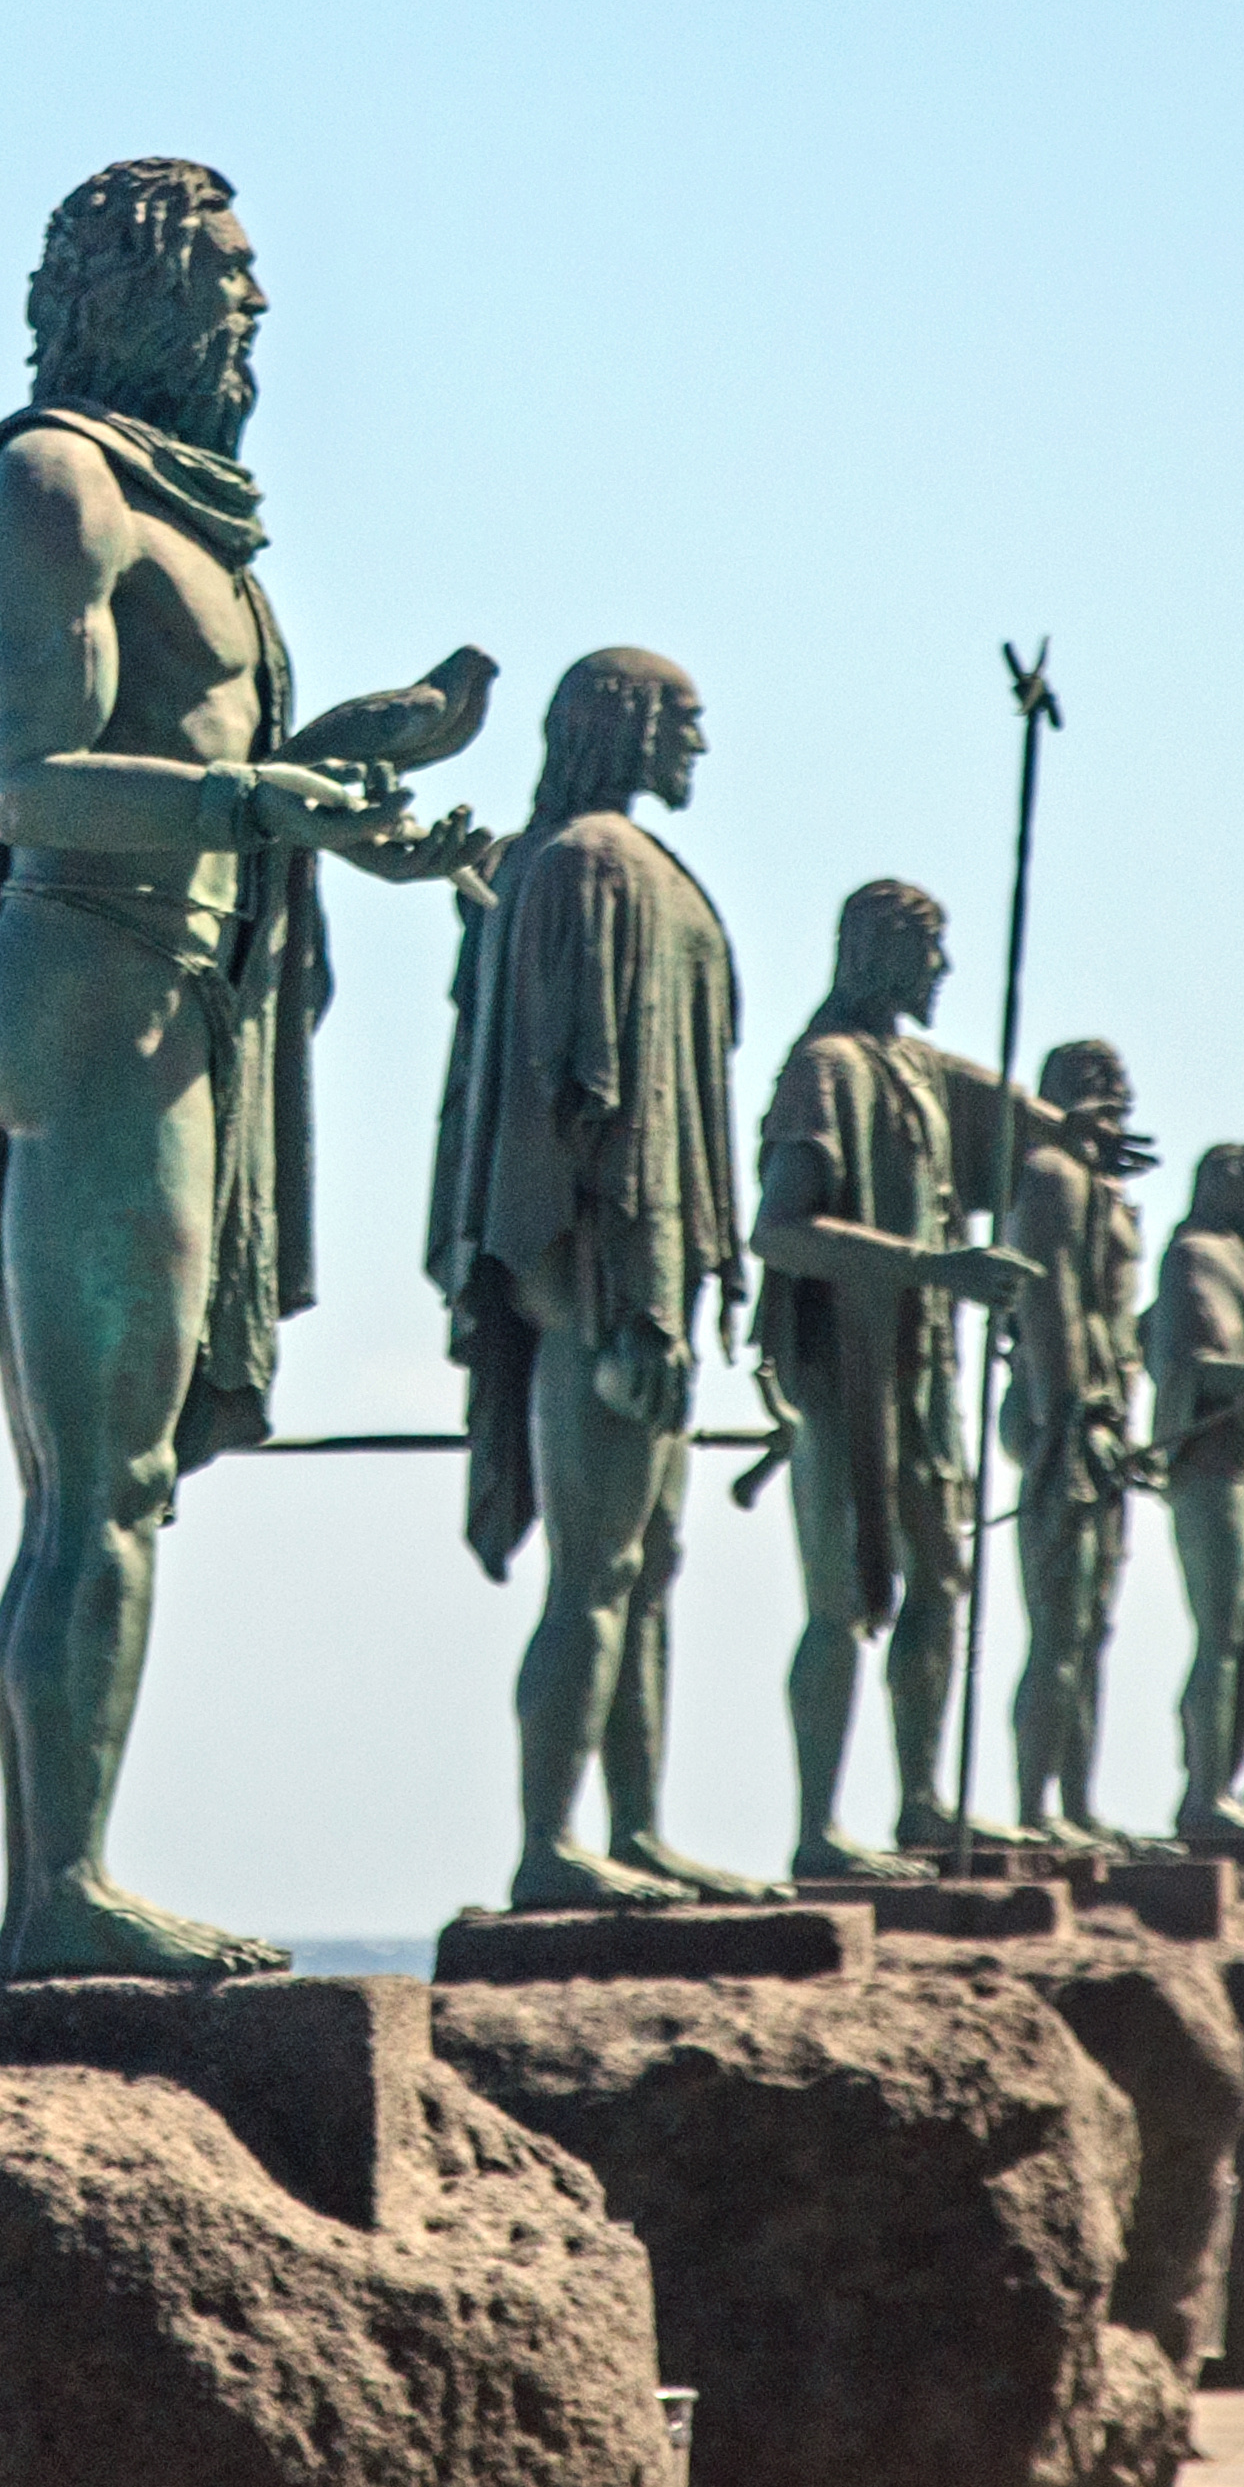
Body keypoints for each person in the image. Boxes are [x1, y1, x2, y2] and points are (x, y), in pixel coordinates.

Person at [0, 159, 485, 1977]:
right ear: (139, 287)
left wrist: (338, 779)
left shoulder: (190, 519)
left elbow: (209, 767)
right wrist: (255, 797)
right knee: (99, 1485)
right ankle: (57, 1897)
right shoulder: (51, 479)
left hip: (168, 988)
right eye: (225, 278)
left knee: (113, 1477)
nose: (251, 313)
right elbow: (34, 782)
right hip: (89, 982)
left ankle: (58, 1885)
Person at [425, 647, 763, 1905]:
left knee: (648, 1568)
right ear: (623, 724)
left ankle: (634, 1830)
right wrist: (628, 1294)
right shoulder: (583, 868)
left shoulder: (637, 871)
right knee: (597, 1571)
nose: (698, 746)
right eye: (685, 718)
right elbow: (576, 1107)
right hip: (605, 1285)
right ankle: (548, 1848)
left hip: (650, 1285)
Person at [745, 884, 1142, 1879]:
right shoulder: (827, 1069)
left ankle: (922, 1802)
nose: (945, 973)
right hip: (845, 1377)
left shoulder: (913, 1068)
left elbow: (1012, 1116)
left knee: (944, 1583)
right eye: (931, 952)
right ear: (882, 953)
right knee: (839, 1597)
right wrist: (932, 1268)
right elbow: (780, 1231)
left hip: (924, 1378)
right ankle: (818, 1830)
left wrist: (1073, 1134)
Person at [1003, 1038, 1148, 1846]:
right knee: (1059, 1626)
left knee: (1092, 1627)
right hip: (1069, 1420)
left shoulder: (1106, 1188)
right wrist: (1068, 1414)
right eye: (1104, 1085)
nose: (1120, 1098)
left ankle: (1076, 1802)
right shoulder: (1052, 1176)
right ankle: (1035, 1807)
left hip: (1107, 1424)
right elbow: (1049, 1303)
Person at [1145, 1146, 1244, 1845]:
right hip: (1206, 1461)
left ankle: (1223, 1787)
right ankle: (1202, 1793)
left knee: (1243, 1634)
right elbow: (1189, 1360)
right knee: (1219, 1632)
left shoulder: (1242, 1259)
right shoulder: (1193, 1254)